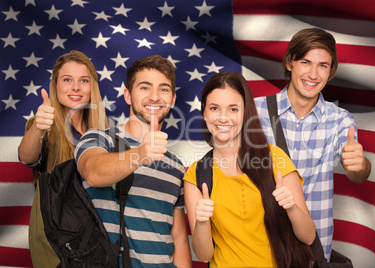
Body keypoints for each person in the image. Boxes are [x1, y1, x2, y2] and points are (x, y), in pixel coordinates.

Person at [254, 28, 372, 261]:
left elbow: (358, 173)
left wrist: (359, 165)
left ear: (331, 71)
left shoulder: (339, 120)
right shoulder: (254, 112)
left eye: (323, 65)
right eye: (305, 62)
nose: (313, 74)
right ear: (290, 63)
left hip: (312, 251)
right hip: (258, 245)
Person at [184, 72, 316, 268]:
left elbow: (308, 237)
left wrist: (291, 207)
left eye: (233, 109)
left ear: (246, 112)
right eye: (214, 108)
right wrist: (202, 223)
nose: (223, 117)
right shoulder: (197, 174)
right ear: (204, 112)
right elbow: (204, 255)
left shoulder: (275, 158)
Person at [74, 55, 192, 267]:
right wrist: (141, 153)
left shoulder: (175, 167)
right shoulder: (99, 139)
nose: (154, 97)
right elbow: (92, 172)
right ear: (128, 95)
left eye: (164, 89)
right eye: (145, 88)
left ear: (173, 100)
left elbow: (180, 239)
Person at [18, 49, 109, 183]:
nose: (75, 87)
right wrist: (38, 128)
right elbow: (27, 158)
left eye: (84, 80)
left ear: (92, 87)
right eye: (67, 79)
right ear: (55, 85)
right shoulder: (43, 124)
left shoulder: (106, 128)